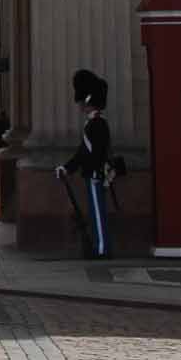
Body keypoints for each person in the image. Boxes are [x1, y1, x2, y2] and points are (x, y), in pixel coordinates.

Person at [55, 70, 113, 258]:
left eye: (82, 101)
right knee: (95, 211)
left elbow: (90, 153)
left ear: (88, 100)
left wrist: (73, 167)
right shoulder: (93, 123)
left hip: (96, 174)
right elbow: (83, 152)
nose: (80, 105)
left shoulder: (97, 124)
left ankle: (102, 248)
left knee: (97, 213)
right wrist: (68, 168)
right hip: (92, 173)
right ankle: (99, 246)